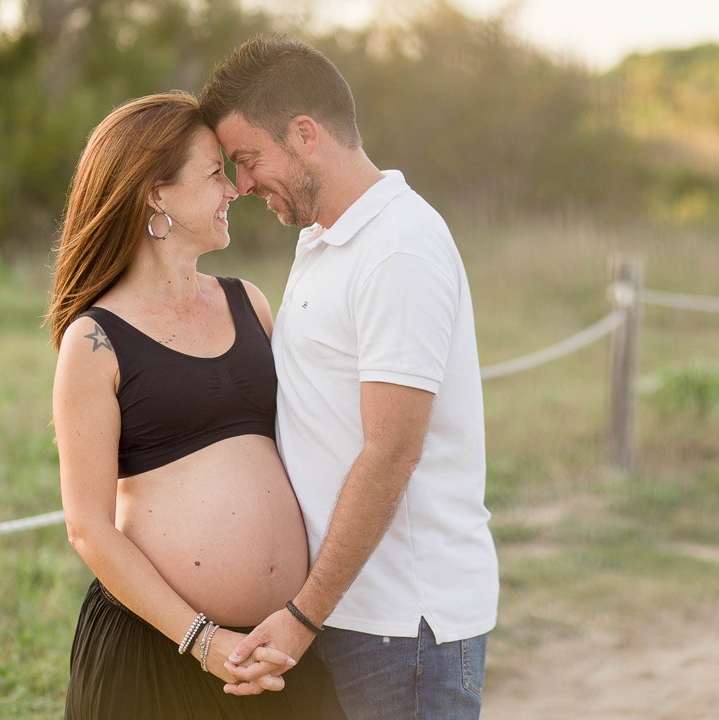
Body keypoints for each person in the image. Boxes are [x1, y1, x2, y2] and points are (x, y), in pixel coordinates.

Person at [200, 36, 500, 720]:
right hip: (352, 611)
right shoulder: (325, 239)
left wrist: (303, 614)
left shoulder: (398, 247)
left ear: (305, 134)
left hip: (403, 629)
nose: (242, 185)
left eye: (247, 160)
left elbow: (391, 452)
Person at [46, 91, 344, 720]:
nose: (234, 189)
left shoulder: (250, 304)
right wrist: (203, 642)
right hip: (162, 660)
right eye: (214, 173)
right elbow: (89, 528)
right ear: (157, 193)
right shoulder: (94, 342)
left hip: (278, 649)